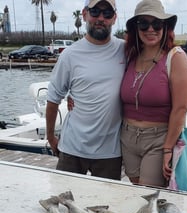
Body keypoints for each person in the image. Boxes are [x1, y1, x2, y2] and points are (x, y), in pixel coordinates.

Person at [45, 0, 126, 180]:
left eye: (107, 13)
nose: (100, 18)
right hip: (72, 148)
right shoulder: (69, 55)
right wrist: (50, 136)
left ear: (114, 18)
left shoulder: (125, 49)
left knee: (107, 205)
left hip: (110, 152)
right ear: (84, 14)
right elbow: (53, 98)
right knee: (63, 202)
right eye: (95, 11)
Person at [120, 0, 187, 187]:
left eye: (157, 23)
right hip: (127, 137)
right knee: (137, 190)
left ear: (165, 27)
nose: (150, 29)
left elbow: (181, 108)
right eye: (143, 23)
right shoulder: (130, 55)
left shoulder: (175, 57)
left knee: (148, 194)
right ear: (136, 28)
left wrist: (168, 148)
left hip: (159, 138)